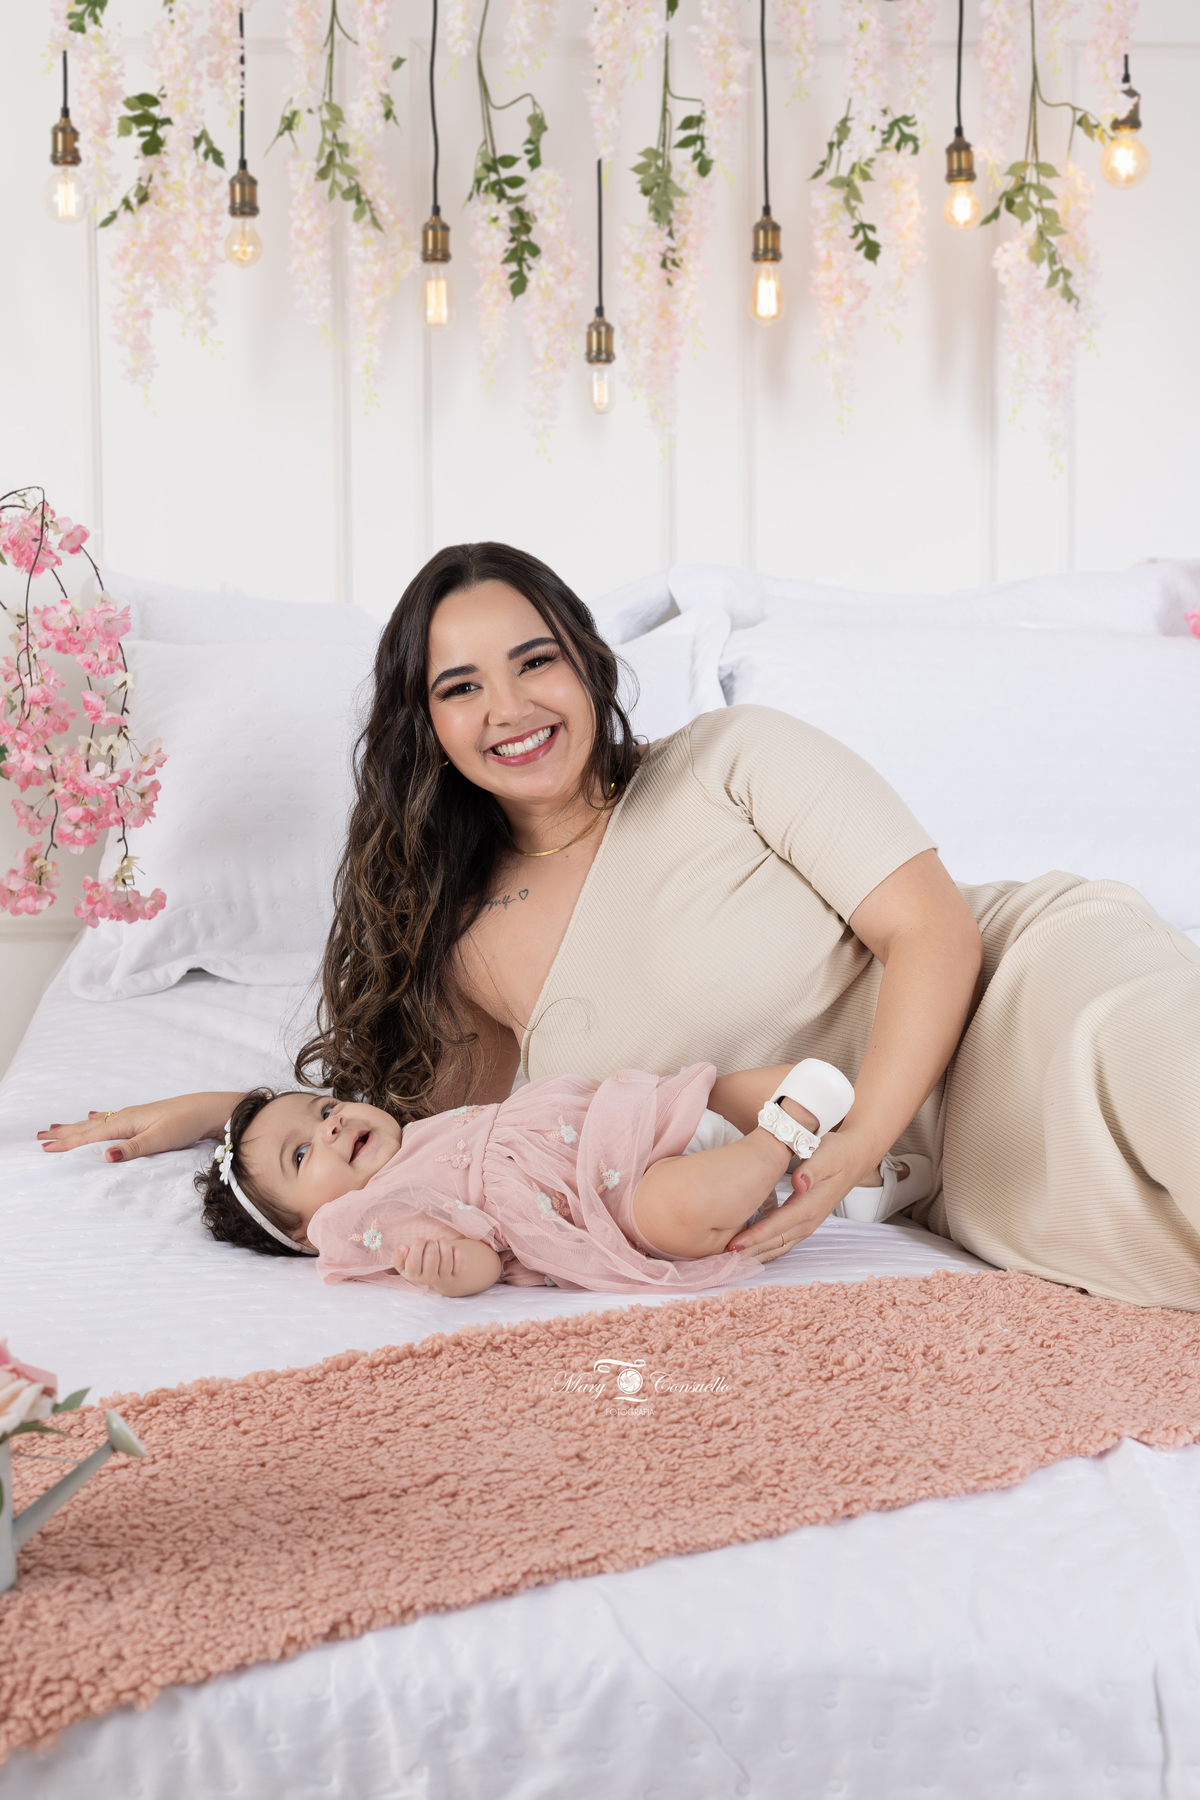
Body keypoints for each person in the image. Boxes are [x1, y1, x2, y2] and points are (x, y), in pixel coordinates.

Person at [40, 544, 1200, 1309]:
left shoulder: (734, 759)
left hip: (1023, 998)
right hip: (947, 1163)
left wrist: (850, 1147)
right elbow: (413, 1146)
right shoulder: (465, 951)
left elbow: (935, 936)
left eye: (535, 661)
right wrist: (220, 1113)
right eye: (460, 687)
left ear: (589, 665)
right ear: (425, 726)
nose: (510, 708)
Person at [192, 1057, 930, 1296]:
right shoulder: (369, 1215)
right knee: (669, 1214)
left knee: (702, 1091)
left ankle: (860, 1155)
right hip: (601, 1202)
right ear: (304, 1229)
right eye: (301, 1155)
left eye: (323, 1107)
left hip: (609, 1126)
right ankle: (787, 1136)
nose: (329, 1125)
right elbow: (484, 1259)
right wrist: (451, 1269)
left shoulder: (415, 1133)